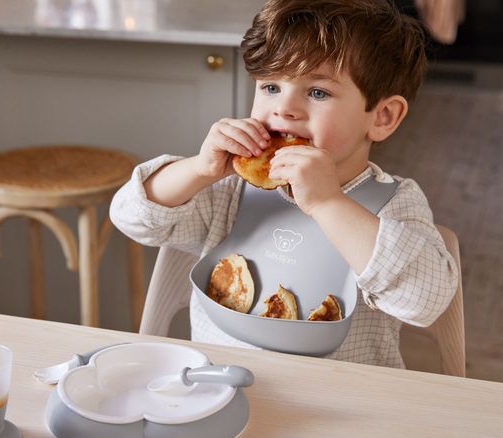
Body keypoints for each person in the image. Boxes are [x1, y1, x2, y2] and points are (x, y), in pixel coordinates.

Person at [110, 0, 458, 368]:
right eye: (271, 86)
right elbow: (132, 218)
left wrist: (328, 203)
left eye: (318, 92)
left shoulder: (393, 202)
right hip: (219, 392)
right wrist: (199, 169)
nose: (284, 108)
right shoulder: (229, 190)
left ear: (383, 117)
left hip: (346, 409)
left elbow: (425, 302)